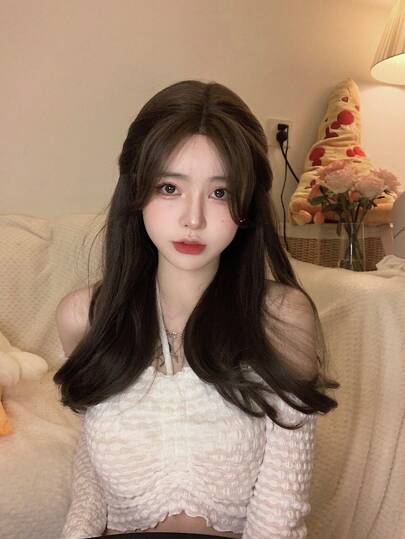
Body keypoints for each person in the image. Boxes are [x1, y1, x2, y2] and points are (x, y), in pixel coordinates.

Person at [53, 79, 339, 539]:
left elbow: (282, 507)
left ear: (247, 204)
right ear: (136, 191)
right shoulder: (84, 317)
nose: (193, 218)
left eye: (220, 193)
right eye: (170, 187)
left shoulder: (281, 317)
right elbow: (91, 458)